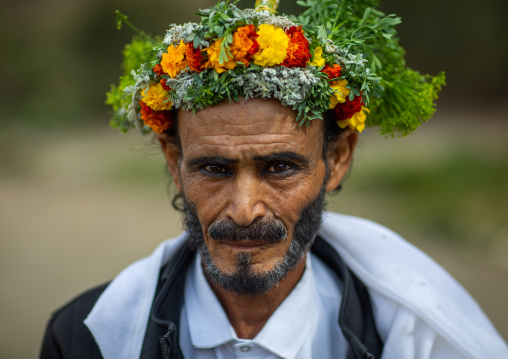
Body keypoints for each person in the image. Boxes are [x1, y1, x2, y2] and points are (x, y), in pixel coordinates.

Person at [41, 1, 507, 358]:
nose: (245, 210)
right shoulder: (86, 336)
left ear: (338, 158)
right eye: (213, 169)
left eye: (279, 168)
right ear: (173, 162)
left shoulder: (407, 333)